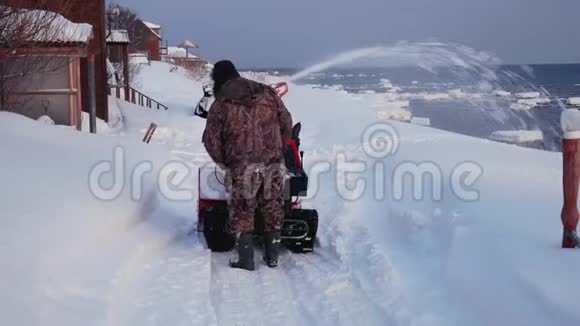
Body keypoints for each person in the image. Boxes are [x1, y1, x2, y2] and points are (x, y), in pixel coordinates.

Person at [202, 60, 293, 270]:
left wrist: (225, 162)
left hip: (242, 166)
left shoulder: (220, 103)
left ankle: (246, 260)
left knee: (242, 210)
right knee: (272, 207)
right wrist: (279, 149)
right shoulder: (267, 93)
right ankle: (272, 257)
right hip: (272, 162)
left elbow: (211, 140)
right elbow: (286, 122)